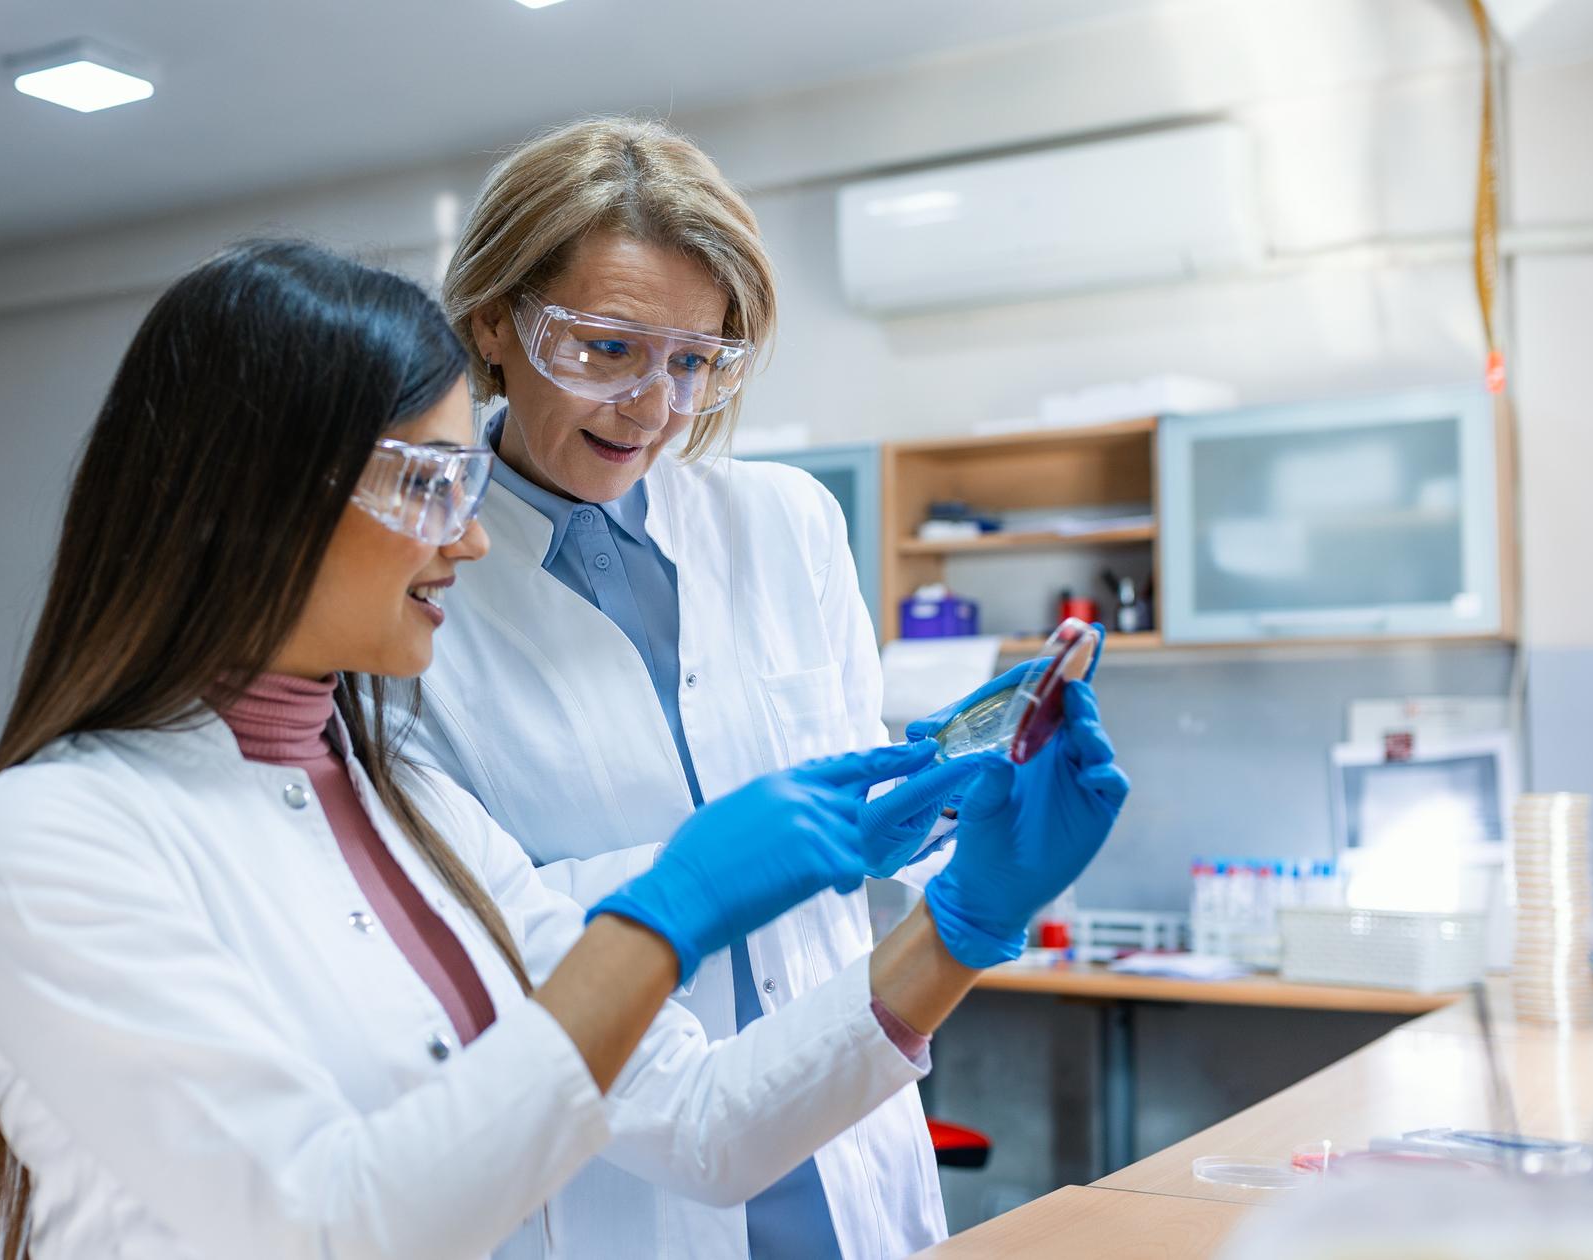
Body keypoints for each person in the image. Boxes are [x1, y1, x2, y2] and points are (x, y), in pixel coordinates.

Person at [0, 240, 1127, 1260]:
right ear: (252, 498)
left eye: (463, 481)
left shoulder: (404, 803)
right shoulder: (55, 839)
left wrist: (960, 923)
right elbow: (324, 1227)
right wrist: (667, 912)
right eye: (431, 483)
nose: (473, 537)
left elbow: (696, 1126)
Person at [408, 115, 1093, 1257]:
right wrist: (701, 872)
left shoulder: (785, 524)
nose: (655, 407)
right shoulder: (417, 577)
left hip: (841, 1142)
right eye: (606, 349)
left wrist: (934, 809)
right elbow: (448, 927)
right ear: (493, 321)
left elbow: (844, 869)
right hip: (608, 1184)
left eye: (693, 360)